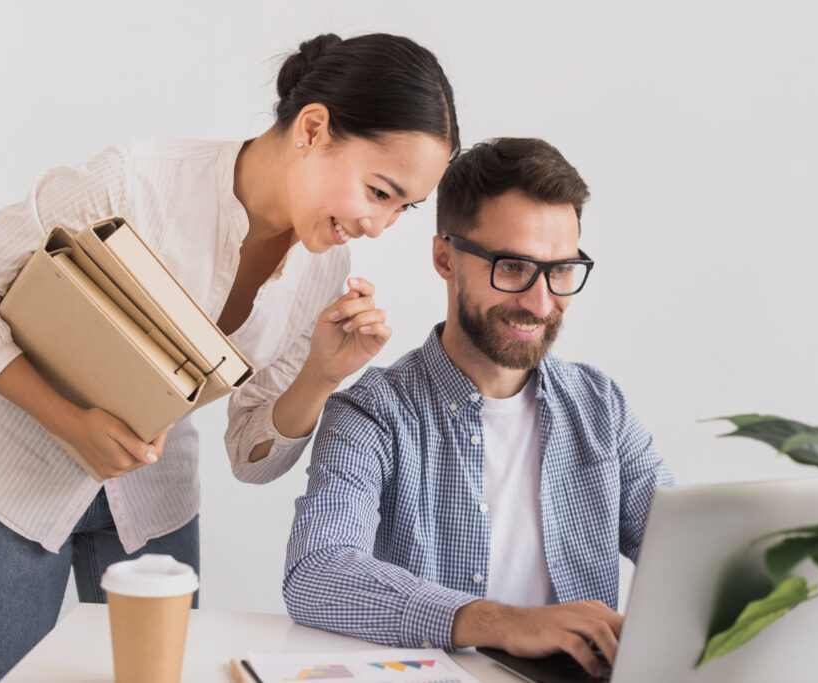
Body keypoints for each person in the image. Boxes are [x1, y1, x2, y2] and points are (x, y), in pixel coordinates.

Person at [0, 32, 458, 682]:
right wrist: (70, 421)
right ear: (312, 128)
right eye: (379, 191)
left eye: (404, 207)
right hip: (11, 482)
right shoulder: (135, 181)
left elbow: (249, 456)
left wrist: (321, 374)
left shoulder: (324, 269)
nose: (381, 225)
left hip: (151, 506)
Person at [283, 138, 674, 678]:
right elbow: (317, 572)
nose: (540, 304)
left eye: (561, 270)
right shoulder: (374, 412)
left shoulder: (601, 408)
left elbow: (686, 553)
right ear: (446, 257)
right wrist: (505, 623)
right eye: (513, 268)